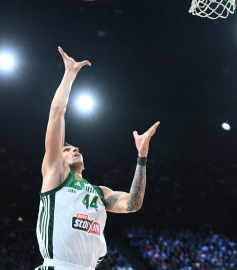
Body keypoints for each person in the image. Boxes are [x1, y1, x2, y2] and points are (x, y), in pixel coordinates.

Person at [35, 47, 160, 270]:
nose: (74, 149)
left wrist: (142, 157)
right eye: (67, 149)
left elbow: (133, 204)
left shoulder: (100, 193)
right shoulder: (56, 175)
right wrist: (70, 74)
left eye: (75, 148)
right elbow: (57, 114)